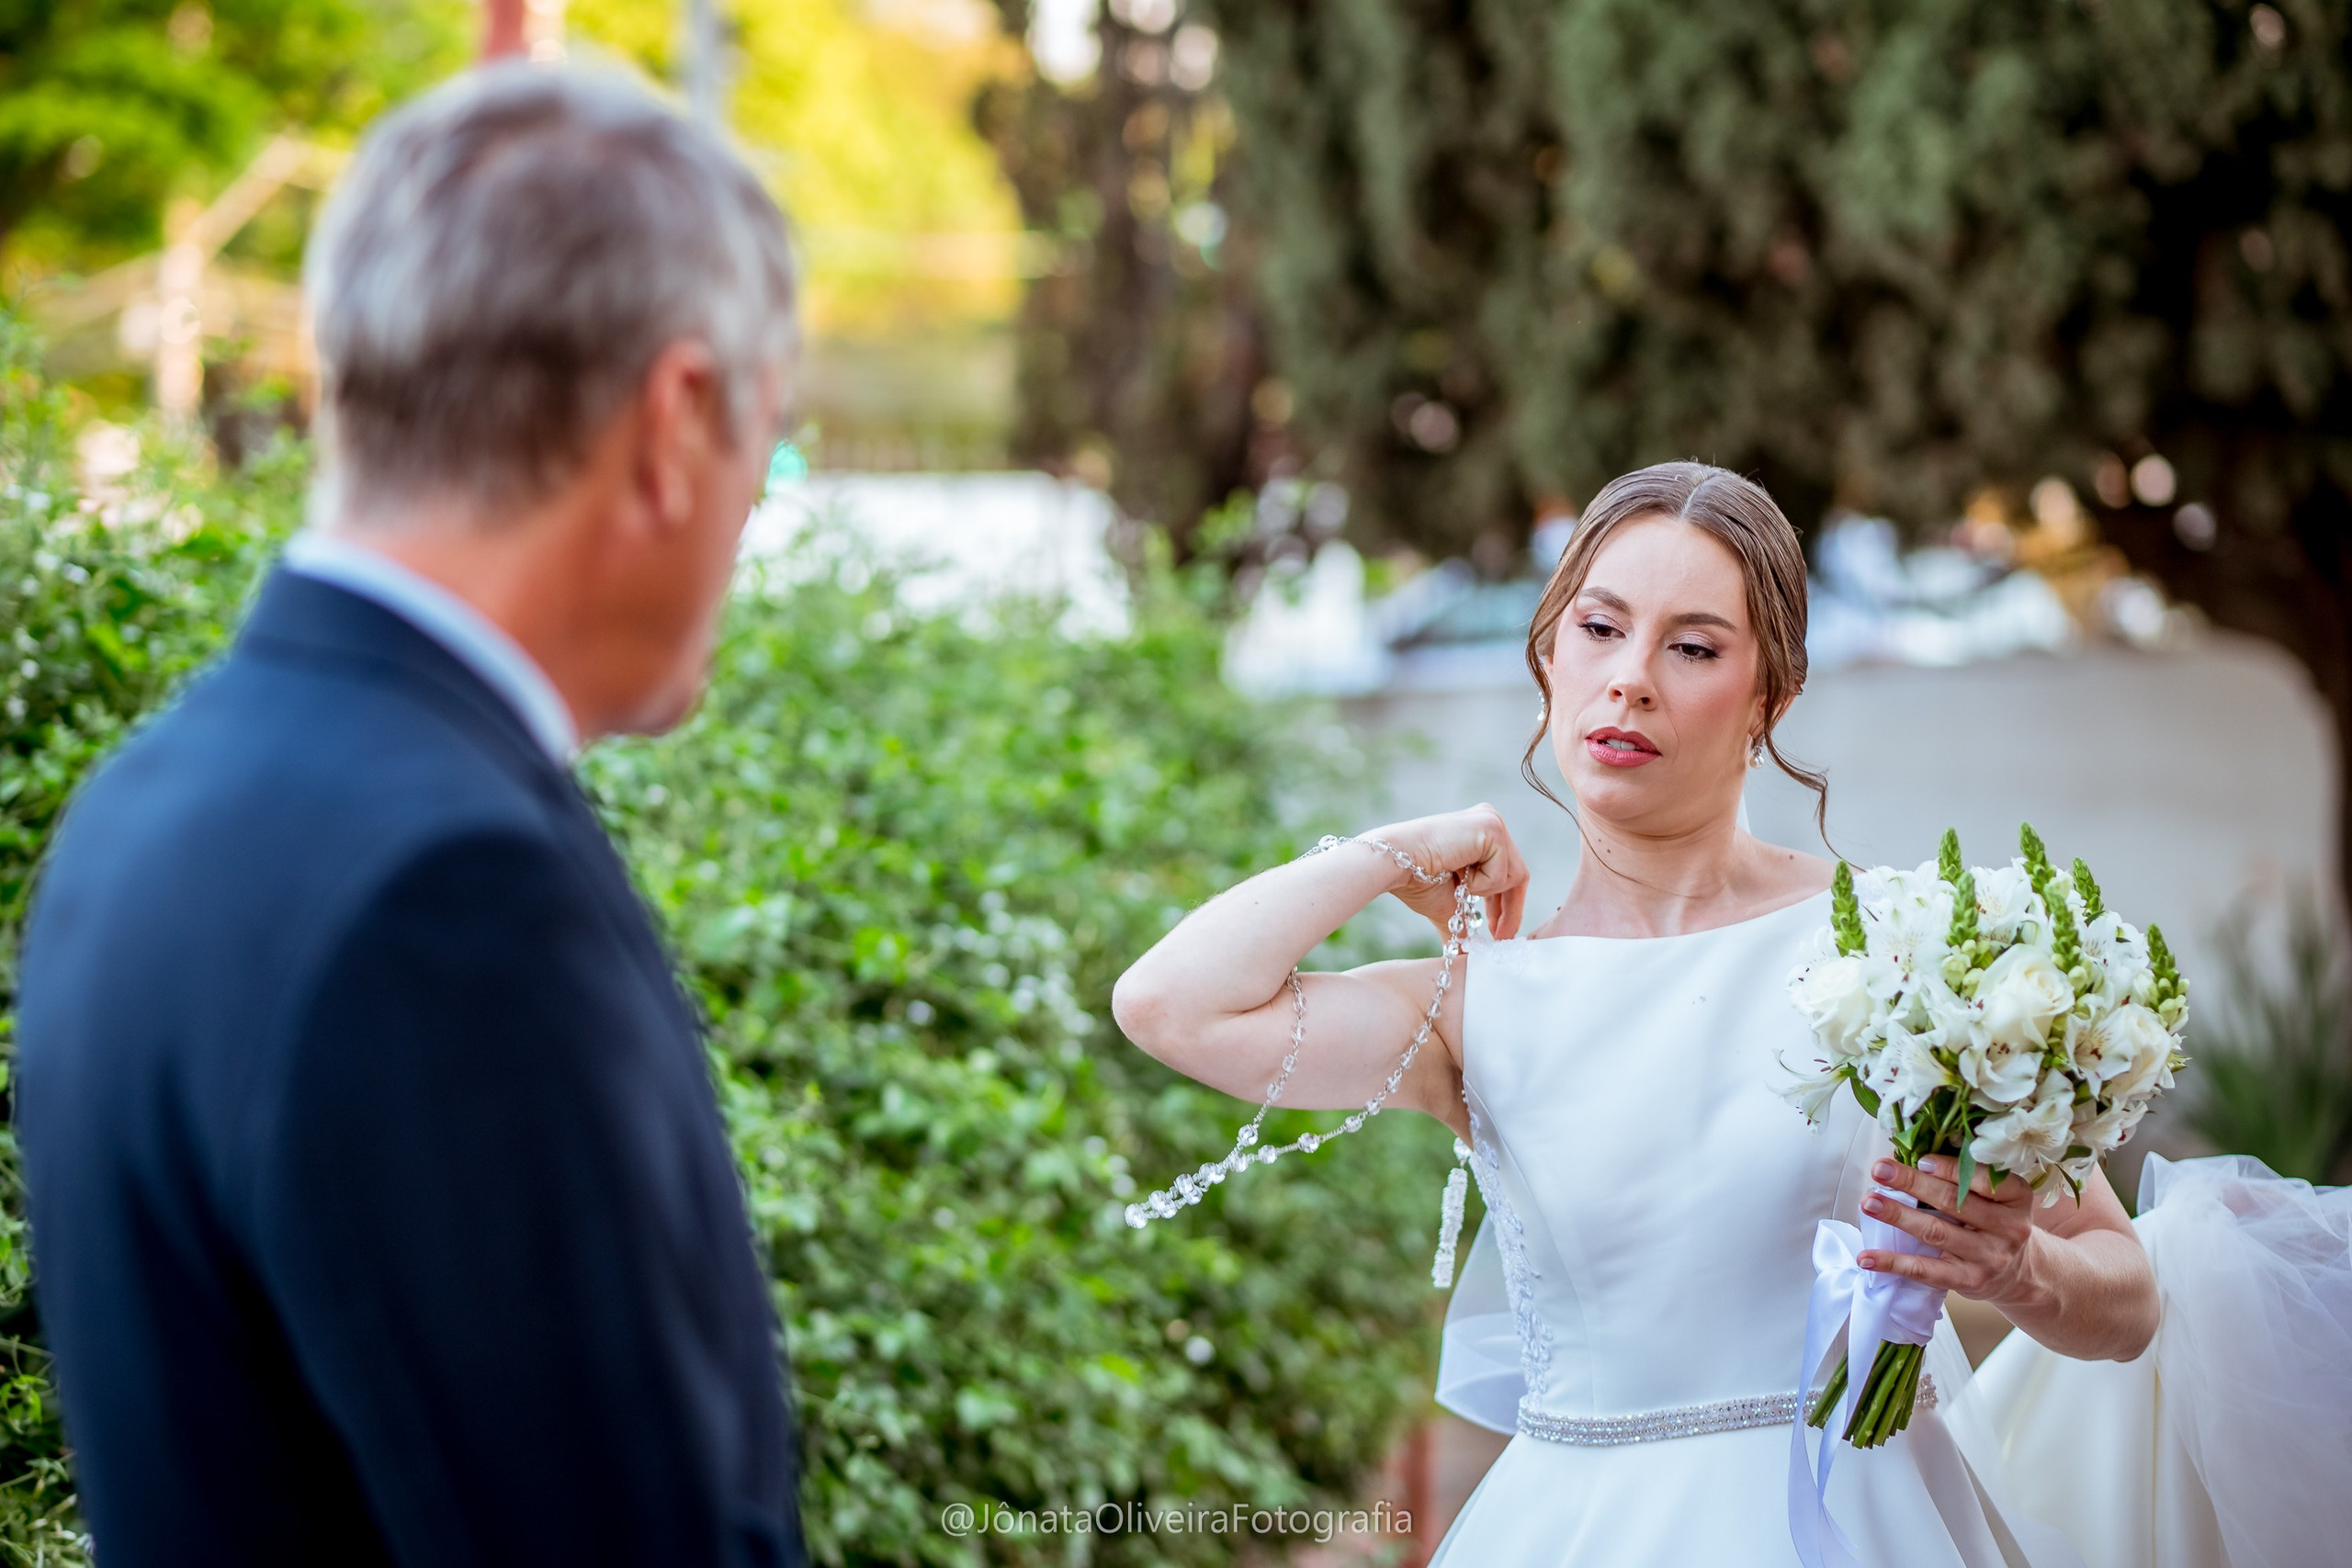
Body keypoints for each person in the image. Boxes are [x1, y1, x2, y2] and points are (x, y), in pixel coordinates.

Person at [13, 65, 804, 1567]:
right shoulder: (454, 897)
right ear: (677, 419)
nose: (754, 504)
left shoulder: (143, 805)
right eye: (767, 430)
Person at [1112, 461, 2159, 1566]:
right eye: (1600, 630)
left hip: (1862, 1524)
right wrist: (1390, 854)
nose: (1631, 681)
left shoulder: (1902, 953)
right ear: (1547, 659)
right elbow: (1168, 1006)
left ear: (1771, 697)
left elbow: (2126, 1298)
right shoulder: (1481, 1001)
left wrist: (2014, 1272)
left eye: (1694, 647)